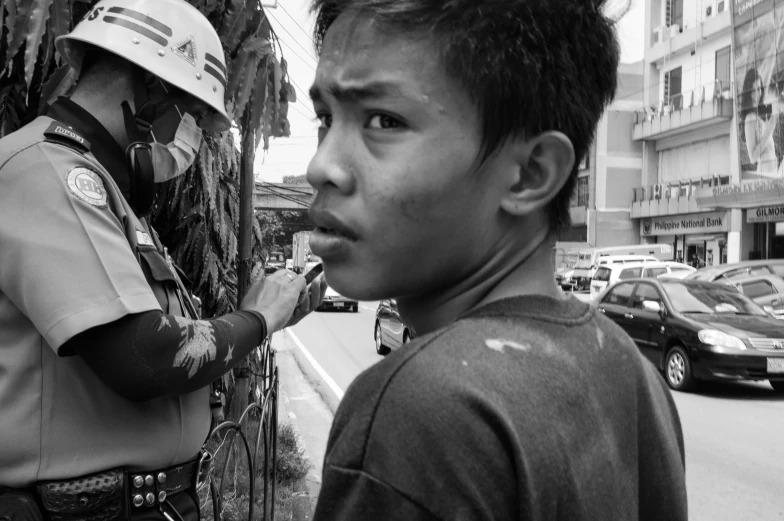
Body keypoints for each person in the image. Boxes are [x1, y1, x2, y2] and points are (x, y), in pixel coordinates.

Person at [305, 0, 688, 519]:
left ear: (531, 174)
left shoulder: (418, 409)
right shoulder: (631, 370)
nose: (321, 166)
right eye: (325, 118)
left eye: (383, 120)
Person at [0, 1, 326, 520]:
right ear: (151, 89)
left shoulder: (111, 195)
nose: (191, 136)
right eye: (192, 115)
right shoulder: (48, 173)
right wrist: (258, 319)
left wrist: (275, 311)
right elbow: (147, 357)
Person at [740, 67, 779, 177]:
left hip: (772, 169)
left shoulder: (758, 115)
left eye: (759, 88)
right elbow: (752, 158)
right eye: (754, 90)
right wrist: (768, 133)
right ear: (748, 92)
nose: (758, 93)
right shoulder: (750, 118)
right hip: (765, 173)